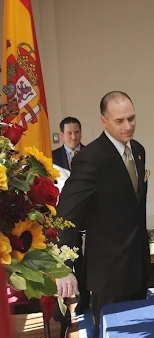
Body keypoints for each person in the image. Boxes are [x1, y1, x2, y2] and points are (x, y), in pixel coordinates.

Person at [55, 91, 150, 338]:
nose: (128, 126)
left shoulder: (139, 150)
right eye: (119, 120)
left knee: (139, 336)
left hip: (138, 261)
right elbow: (67, 213)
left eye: (131, 118)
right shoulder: (91, 158)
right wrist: (66, 265)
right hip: (108, 269)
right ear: (103, 121)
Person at [52, 116, 90, 316]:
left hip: (85, 217)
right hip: (61, 219)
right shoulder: (52, 158)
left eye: (77, 132)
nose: (73, 136)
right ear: (62, 134)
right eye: (69, 133)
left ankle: (85, 299)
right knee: (64, 260)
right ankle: (62, 305)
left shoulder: (90, 155)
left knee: (82, 260)